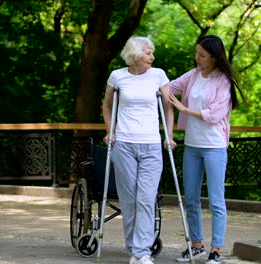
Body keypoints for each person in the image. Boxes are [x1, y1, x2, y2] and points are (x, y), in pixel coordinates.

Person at [168, 35, 244, 264]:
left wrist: (184, 108)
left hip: (214, 147)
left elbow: (215, 115)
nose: (197, 58)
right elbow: (167, 88)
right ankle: (197, 245)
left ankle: (216, 250)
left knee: (216, 199)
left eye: (202, 55)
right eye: (196, 53)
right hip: (192, 145)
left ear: (213, 56)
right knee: (190, 197)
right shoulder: (192, 76)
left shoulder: (224, 81)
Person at [102, 36, 175, 264]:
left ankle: (142, 252)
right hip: (123, 145)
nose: (152, 57)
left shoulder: (159, 75)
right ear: (135, 55)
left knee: (146, 198)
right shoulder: (117, 76)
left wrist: (169, 136)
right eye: (148, 53)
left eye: (152, 53)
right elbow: (107, 106)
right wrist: (109, 131)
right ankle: (135, 249)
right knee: (130, 199)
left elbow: (168, 108)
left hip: (152, 145)